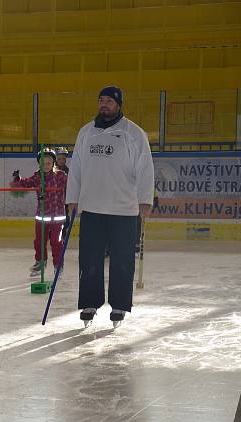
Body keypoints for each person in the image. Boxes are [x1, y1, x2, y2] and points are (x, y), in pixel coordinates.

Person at [66, 86, 154, 327]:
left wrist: (145, 200)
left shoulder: (133, 133)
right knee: (89, 259)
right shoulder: (86, 132)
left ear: (119, 104)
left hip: (124, 210)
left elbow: (145, 168)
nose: (104, 104)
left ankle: (119, 306)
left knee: (122, 260)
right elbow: (76, 170)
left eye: (109, 101)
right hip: (92, 208)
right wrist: (72, 198)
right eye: (100, 100)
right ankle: (90, 303)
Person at [12, 148, 68, 276]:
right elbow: (25, 184)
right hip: (41, 216)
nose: (45, 166)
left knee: (56, 242)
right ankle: (40, 263)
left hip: (58, 217)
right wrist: (17, 179)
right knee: (39, 241)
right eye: (42, 163)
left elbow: (72, 185)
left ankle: (58, 266)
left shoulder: (60, 176)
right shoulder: (37, 176)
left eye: (48, 163)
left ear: (53, 163)